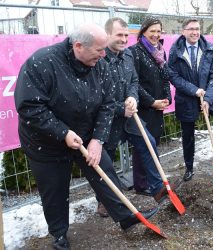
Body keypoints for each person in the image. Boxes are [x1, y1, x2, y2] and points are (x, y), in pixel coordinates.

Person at [14, 24, 157, 250]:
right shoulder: (41, 63)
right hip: (45, 142)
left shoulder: (100, 65)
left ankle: (126, 216)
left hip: (85, 134)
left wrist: (97, 140)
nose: (103, 55)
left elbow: (108, 104)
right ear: (78, 46)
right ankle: (59, 235)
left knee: (105, 172)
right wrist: (63, 133)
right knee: (55, 189)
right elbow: (29, 107)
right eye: (99, 50)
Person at [103, 17, 174, 207]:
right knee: (107, 156)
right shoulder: (99, 59)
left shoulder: (126, 56)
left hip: (130, 113)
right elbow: (97, 95)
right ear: (107, 34)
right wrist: (121, 108)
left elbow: (133, 81)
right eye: (119, 35)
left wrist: (133, 97)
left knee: (148, 142)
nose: (124, 39)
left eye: (126, 35)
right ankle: (104, 200)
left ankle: (158, 187)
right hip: (108, 117)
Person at [168, 18, 213, 181]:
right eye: (191, 29)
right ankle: (189, 167)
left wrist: (208, 98)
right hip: (187, 97)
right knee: (188, 134)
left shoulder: (209, 49)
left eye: (197, 28)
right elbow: (173, 76)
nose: (195, 32)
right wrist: (194, 90)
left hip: (209, 94)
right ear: (183, 31)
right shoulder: (175, 50)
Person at [128, 16, 171, 193]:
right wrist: (151, 102)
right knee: (143, 145)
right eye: (152, 31)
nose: (155, 34)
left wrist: (167, 98)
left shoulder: (161, 50)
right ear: (143, 31)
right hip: (143, 107)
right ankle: (141, 183)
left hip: (158, 105)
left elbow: (164, 77)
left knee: (153, 142)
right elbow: (134, 83)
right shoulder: (134, 52)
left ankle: (151, 178)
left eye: (158, 31)